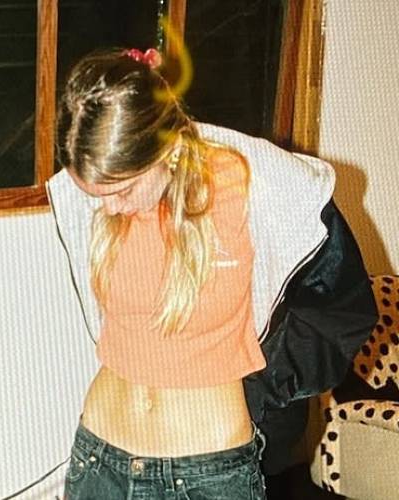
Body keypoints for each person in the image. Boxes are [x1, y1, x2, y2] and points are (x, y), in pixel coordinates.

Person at [46, 48, 378, 499]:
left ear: (166, 150)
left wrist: (262, 388)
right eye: (95, 194)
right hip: (100, 460)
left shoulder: (254, 185)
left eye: (123, 190)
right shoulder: (103, 197)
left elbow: (341, 309)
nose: (109, 208)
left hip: (207, 472)